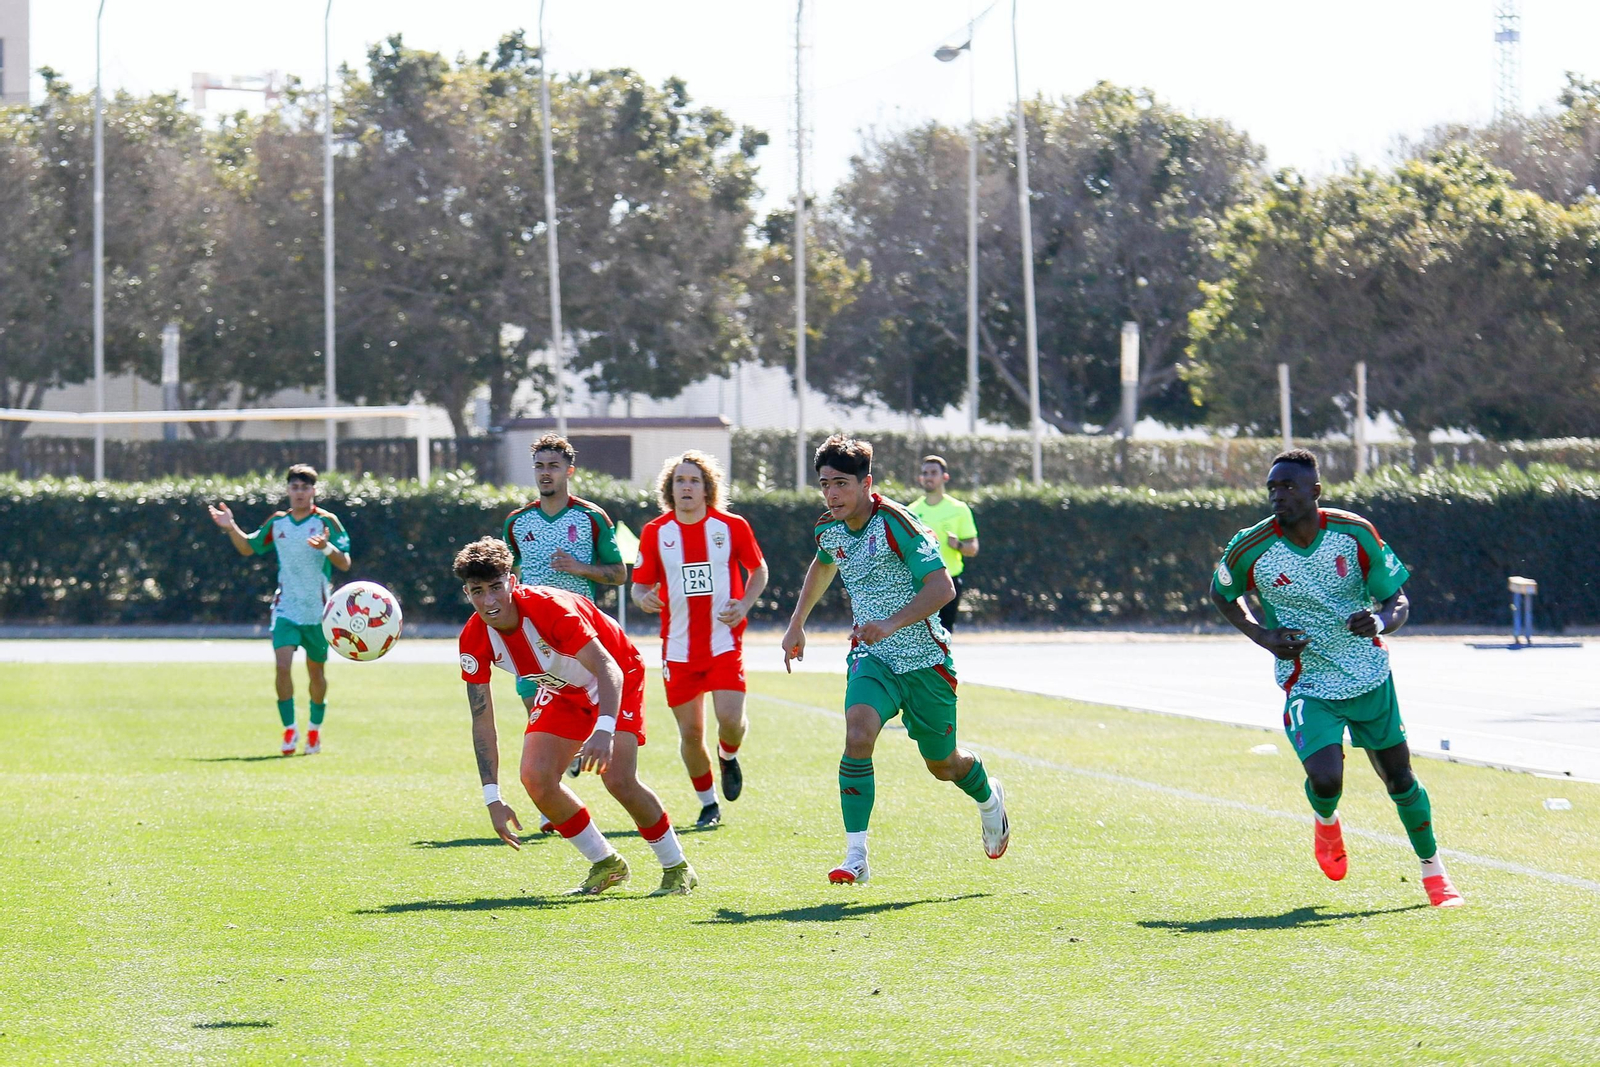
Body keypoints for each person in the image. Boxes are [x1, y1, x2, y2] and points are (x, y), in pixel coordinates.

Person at [1209, 448, 1464, 908]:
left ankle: (1434, 872)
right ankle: (1326, 822)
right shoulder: (1251, 545)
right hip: (1308, 682)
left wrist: (1381, 622)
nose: (1278, 496)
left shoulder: (1353, 532)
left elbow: (1397, 601)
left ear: (1315, 491)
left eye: (1288, 486)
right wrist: (1264, 636)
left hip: (1369, 677)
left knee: (1400, 780)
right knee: (1327, 780)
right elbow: (1222, 594)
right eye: (1272, 487)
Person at [780, 434, 1010, 884]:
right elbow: (824, 562)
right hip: (873, 658)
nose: (832, 493)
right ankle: (855, 856)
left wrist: (890, 622)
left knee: (943, 765)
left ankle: (988, 797)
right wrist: (796, 623)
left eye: (841, 484)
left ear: (868, 483)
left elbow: (943, 589)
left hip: (926, 663)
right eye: (825, 483)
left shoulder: (898, 523)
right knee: (858, 732)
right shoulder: (829, 526)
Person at [454, 537, 696, 896]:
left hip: (617, 675)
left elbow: (607, 668)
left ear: (512, 582)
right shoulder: (473, 639)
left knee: (618, 779)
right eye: (477, 591)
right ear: (467, 592)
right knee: (535, 777)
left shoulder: (550, 609)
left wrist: (604, 728)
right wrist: (492, 796)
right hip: (564, 690)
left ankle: (677, 867)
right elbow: (481, 720)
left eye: (495, 587)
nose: (488, 601)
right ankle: (606, 863)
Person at [631, 451, 769, 829]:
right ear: (669, 490)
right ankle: (708, 803)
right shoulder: (656, 532)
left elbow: (758, 570)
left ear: (707, 488)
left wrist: (743, 605)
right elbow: (639, 586)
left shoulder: (731, 526)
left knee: (731, 721)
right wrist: (643, 598)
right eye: (680, 481)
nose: (687, 487)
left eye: (694, 480)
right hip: (677, 649)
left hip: (723, 642)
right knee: (691, 733)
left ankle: (728, 755)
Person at [209, 463, 351, 756]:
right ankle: (290, 729)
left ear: (314, 490)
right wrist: (230, 527)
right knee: (282, 666)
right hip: (286, 608)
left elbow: (345, 562)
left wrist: (326, 547)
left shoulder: (327, 522)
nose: (299, 493)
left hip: (318, 612)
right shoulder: (278, 523)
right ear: (288, 490)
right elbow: (249, 547)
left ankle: (314, 729)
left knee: (316, 673)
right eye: (294, 487)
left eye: (305, 487)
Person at [909, 455, 979, 633]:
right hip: (921, 582)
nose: (928, 477)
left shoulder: (958, 509)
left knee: (943, 635)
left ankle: (942, 662)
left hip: (949, 582)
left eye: (933, 473)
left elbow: (973, 548)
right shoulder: (911, 511)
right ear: (920, 478)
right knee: (920, 634)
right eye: (925, 473)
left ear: (945, 477)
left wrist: (959, 546)